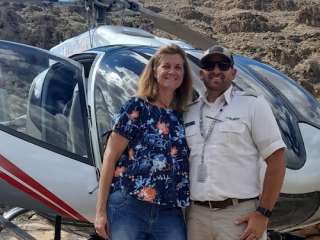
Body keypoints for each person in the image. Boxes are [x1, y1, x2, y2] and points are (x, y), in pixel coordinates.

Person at [184, 45, 286, 240]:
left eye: (223, 65)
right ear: (201, 72)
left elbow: (277, 160)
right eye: (209, 65)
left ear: (233, 72)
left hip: (239, 215)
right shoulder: (189, 111)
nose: (216, 70)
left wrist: (263, 214)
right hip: (196, 216)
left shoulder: (252, 104)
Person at [95, 44, 193, 240]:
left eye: (178, 67)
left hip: (169, 211)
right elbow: (110, 156)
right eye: (166, 66)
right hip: (129, 205)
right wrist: (100, 212)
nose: (172, 71)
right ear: (155, 71)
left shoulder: (182, 114)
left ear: (184, 74)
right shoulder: (136, 107)